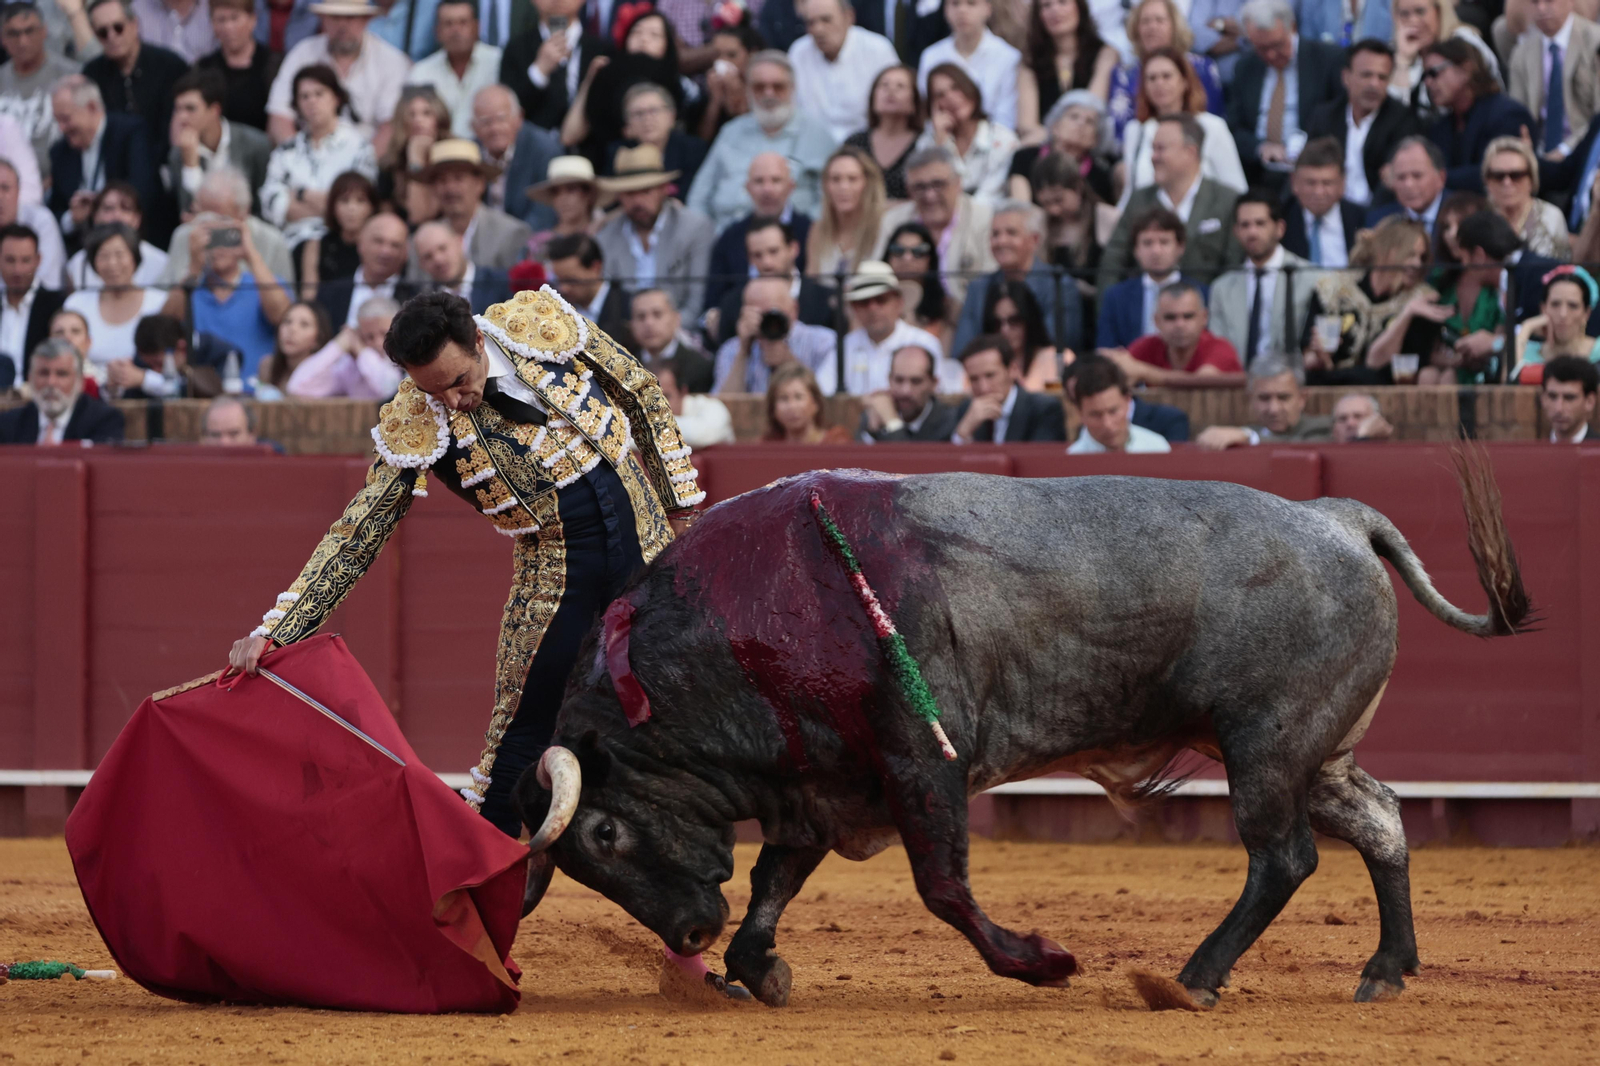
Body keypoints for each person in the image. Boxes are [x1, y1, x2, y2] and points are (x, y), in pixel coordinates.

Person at [223, 291, 719, 989]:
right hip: (558, 589)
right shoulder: (417, 418)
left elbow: (637, 389)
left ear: (480, 343)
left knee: (684, 748)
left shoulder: (540, 326)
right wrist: (278, 628)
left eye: (458, 381)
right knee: (513, 759)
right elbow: (360, 532)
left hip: (649, 565)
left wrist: (681, 504)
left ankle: (686, 951)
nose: (452, 401)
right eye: (433, 389)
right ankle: (470, 948)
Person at [686, 50, 836, 232]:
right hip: (724, 240)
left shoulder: (816, 135)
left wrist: (804, 238)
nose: (768, 93)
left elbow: (828, 201)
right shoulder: (731, 132)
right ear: (748, 90)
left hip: (788, 245)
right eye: (759, 87)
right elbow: (699, 196)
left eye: (778, 86)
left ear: (793, 88)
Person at [1099, 115, 1243, 291]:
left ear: (1190, 152)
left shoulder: (1226, 200)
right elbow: (1114, 261)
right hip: (1148, 312)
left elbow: (1235, 269)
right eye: (1153, 149)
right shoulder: (1140, 200)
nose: (1153, 157)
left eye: (1160, 149)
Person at [163, 196, 294, 381]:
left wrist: (250, 254)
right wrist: (193, 266)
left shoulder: (262, 283)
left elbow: (282, 316)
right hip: (201, 394)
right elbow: (165, 325)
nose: (219, 247)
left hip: (256, 393)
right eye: (212, 238)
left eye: (227, 237)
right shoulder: (190, 289)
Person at [1302, 215, 1442, 385]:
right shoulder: (1333, 290)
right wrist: (1320, 358)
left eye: (1422, 257)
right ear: (1385, 250)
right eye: (1410, 254)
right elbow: (1307, 360)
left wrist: (1407, 314)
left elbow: (1379, 365)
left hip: (1388, 396)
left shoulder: (1422, 301)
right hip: (1329, 391)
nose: (1417, 264)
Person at [266, 0, 412, 155]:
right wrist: (299, 162)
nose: (342, 26)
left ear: (366, 20)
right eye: (335, 17)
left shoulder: (391, 61)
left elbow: (390, 127)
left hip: (365, 164)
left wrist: (363, 168)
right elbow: (279, 117)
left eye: (350, 18)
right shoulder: (302, 54)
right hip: (306, 158)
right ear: (323, 19)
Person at [260, 65, 380, 254]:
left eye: (319, 93)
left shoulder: (359, 148)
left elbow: (360, 206)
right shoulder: (285, 151)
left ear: (336, 98)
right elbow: (270, 205)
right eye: (304, 96)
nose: (312, 102)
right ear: (296, 104)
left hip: (343, 242)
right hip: (291, 244)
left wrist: (300, 194)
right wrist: (331, 205)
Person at [1226, 0, 1347, 186]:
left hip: (1312, 167)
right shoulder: (1246, 66)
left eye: (1277, 45)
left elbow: (1340, 118)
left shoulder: (1327, 59)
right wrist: (1260, 147)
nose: (1271, 55)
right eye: (1262, 48)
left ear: (1292, 27)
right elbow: (1234, 127)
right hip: (1257, 170)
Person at [592, 145, 715, 317]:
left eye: (645, 191)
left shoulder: (695, 228)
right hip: (620, 337)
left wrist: (666, 332)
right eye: (629, 193)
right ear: (619, 196)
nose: (638, 201)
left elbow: (696, 303)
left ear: (664, 189)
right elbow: (604, 305)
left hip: (681, 335)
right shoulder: (605, 236)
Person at [1116, 47, 1244, 210]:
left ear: (1184, 81)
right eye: (1152, 78)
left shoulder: (1212, 126)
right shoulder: (1135, 130)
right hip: (1151, 225)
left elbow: (1235, 188)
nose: (1159, 83)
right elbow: (1131, 192)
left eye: (1167, 76)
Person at [1304, 39, 1423, 211]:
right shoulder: (1325, 117)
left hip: (1378, 214)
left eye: (1382, 77)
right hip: (1331, 212)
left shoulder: (1403, 120)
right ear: (1346, 77)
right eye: (1366, 75)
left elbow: (1393, 178)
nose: (1374, 84)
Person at [562, 10, 694, 164]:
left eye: (654, 35)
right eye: (636, 32)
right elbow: (568, 137)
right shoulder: (605, 79)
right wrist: (590, 81)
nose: (643, 39)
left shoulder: (683, 87)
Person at [954, 198, 1082, 357]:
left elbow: (1057, 346)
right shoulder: (978, 288)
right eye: (995, 234)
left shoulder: (1059, 284)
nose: (1001, 241)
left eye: (1011, 233)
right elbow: (962, 350)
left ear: (1034, 240)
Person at [874, 146, 997, 308]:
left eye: (938, 184)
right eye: (920, 187)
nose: (929, 195)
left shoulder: (985, 219)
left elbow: (991, 282)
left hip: (969, 315)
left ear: (958, 183)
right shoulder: (892, 222)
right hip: (904, 316)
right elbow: (875, 276)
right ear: (908, 190)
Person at [47, 76, 162, 244]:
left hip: (135, 241)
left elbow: (143, 190)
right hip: (82, 246)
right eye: (57, 120)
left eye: (66, 119)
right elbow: (55, 209)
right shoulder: (60, 152)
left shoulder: (131, 133)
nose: (61, 128)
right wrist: (72, 218)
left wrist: (102, 204)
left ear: (92, 107)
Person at [1207, 191, 1316, 369]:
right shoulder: (1222, 288)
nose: (1252, 232)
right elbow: (1219, 349)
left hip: (1290, 385)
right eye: (1245, 225)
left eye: (1260, 223)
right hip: (1237, 387)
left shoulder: (1311, 278)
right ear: (1236, 231)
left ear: (1280, 228)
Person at [703, 153, 811, 317]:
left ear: (791, 186)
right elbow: (713, 301)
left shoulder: (809, 232)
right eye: (759, 181)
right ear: (748, 188)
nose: (767, 189)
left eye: (775, 180)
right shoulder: (730, 238)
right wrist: (713, 318)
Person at [1421, 39, 1534, 195]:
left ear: (1466, 69)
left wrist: (1435, 179)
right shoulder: (1441, 126)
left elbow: (1493, 173)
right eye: (1425, 75)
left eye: (1434, 73)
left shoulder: (1506, 115)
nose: (1427, 82)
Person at [81, 0, 189, 159]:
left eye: (118, 28)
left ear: (134, 24)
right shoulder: (92, 74)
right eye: (103, 32)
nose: (112, 37)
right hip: (114, 168)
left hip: (166, 163)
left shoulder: (171, 66)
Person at [1106, 0, 1223, 143]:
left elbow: (1212, 115)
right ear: (1136, 29)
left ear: (1175, 26)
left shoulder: (1202, 68)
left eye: (1159, 20)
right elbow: (1118, 130)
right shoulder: (1124, 75)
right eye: (1145, 21)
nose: (1152, 27)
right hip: (1138, 150)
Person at [163, 166, 295, 289]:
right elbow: (165, 306)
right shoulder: (185, 236)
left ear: (244, 213)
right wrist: (194, 269)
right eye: (205, 218)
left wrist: (251, 257)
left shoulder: (271, 241)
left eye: (222, 220)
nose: (213, 227)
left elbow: (286, 308)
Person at [712, 215, 834, 346]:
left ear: (793, 249)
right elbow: (722, 360)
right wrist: (744, 345)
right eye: (757, 255)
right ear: (749, 259)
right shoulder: (733, 304)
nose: (766, 263)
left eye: (773, 251)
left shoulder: (826, 300)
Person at [169, 68, 274, 220]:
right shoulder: (178, 154)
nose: (182, 117)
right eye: (178, 109)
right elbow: (187, 213)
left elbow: (263, 206)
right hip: (202, 235)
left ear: (214, 110)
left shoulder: (255, 144)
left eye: (190, 109)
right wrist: (190, 166)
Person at [788, 0, 898, 143]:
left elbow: (895, 109)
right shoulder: (798, 53)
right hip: (813, 147)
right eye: (811, 23)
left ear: (849, 17)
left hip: (869, 147)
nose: (818, 29)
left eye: (826, 20)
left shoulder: (878, 50)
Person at [61, 223, 167, 369]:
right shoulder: (76, 303)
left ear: (134, 258)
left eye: (120, 254)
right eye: (103, 256)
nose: (112, 264)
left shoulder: (160, 302)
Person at [1096, 205, 1202, 349]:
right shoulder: (1116, 297)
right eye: (1147, 243)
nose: (1156, 251)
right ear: (1135, 250)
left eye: (1164, 242)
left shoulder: (1202, 293)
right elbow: (1106, 350)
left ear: (1180, 247)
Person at [1423, 208, 1509, 385]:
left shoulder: (1497, 281)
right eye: (1446, 227)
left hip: (1491, 367)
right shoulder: (1439, 281)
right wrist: (1454, 361)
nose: (1452, 234)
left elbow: (1506, 337)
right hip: (1449, 368)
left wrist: (1492, 345)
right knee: (1430, 375)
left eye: (1459, 226)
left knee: (1448, 378)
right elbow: (1427, 349)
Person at [418, 139, 532, 270]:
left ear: (480, 184)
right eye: (442, 181)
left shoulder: (510, 233)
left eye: (458, 178)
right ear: (434, 188)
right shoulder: (424, 239)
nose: (450, 188)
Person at [499, 0, 612, 132]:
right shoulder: (516, 49)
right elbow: (507, 110)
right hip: (533, 144)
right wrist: (538, 71)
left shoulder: (602, 50)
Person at [714, 274, 839, 393]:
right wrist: (743, 352)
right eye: (758, 314)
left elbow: (826, 400)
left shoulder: (824, 342)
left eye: (772, 313)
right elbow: (722, 407)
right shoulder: (731, 349)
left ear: (794, 309)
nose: (766, 321)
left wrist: (789, 362)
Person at [841, 259, 950, 395]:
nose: (873, 308)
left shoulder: (925, 343)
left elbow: (936, 397)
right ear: (855, 308)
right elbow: (823, 392)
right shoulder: (843, 347)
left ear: (899, 303)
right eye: (864, 302)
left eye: (881, 300)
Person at [1111, 279, 1243, 387]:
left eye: (1188, 316)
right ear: (1156, 321)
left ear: (1204, 318)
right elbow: (1123, 367)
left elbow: (1203, 382)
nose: (1180, 325)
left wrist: (1144, 372)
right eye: (1170, 317)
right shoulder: (1147, 346)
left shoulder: (1220, 348)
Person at [0, 3, 81, 179]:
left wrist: (56, 181)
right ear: (2, 39)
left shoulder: (71, 76)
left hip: (60, 183)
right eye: (13, 33)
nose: (22, 41)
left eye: (29, 31)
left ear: (44, 31)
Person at [1019, 0, 1118, 143]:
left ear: (1079, 7)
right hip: (1044, 147)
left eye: (1062, 2)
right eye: (1046, 5)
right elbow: (1026, 124)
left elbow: (1090, 108)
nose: (1055, 10)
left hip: (1087, 146)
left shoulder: (1106, 54)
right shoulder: (1030, 61)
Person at [918, 63, 1018, 202]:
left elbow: (989, 197)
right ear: (933, 106)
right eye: (940, 95)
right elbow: (930, 193)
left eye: (955, 88)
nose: (951, 98)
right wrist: (941, 145)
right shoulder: (927, 143)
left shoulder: (1002, 138)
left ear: (970, 88)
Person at [916, 0, 1021, 131]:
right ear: (945, 10)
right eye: (955, 4)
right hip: (941, 140)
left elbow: (1006, 119)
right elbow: (926, 112)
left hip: (993, 144)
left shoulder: (1008, 57)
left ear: (988, 9)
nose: (962, 11)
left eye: (971, 3)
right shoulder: (931, 56)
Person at [404, 0, 500, 138]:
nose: (456, 30)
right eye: (448, 24)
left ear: (477, 27)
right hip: (437, 153)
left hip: (488, 154)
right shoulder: (421, 73)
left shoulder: (498, 62)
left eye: (463, 22)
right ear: (437, 31)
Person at [0, 336, 125, 443]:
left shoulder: (105, 421)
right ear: (30, 378)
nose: (51, 382)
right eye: (44, 373)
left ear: (80, 382)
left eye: (61, 374)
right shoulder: (8, 425)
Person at [1390, 0, 1501, 118]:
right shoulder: (1397, 54)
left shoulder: (1464, 42)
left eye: (1420, 11)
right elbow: (1393, 119)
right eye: (1404, 14)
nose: (1413, 21)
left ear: (1438, 11)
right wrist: (1403, 62)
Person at [474, 84, 564, 229]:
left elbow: (543, 216)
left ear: (519, 118)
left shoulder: (543, 150)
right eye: (486, 122)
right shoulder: (470, 153)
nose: (494, 128)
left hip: (527, 241)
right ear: (474, 127)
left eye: (501, 119)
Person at [1195, 354, 1332, 448]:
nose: (1274, 409)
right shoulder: (1246, 433)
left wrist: (1248, 437)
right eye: (1264, 398)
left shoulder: (1323, 428)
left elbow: (1296, 447)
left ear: (1302, 399)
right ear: (1250, 399)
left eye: (1283, 397)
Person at [950, 333, 1066, 442]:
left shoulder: (1043, 409)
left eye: (990, 375)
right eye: (974, 379)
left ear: (1012, 370)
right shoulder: (966, 411)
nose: (983, 388)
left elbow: (1039, 459)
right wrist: (962, 433)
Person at [284, 293, 403, 397]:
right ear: (359, 335)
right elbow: (297, 387)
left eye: (384, 333)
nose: (378, 343)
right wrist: (339, 345)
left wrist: (363, 353)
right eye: (369, 337)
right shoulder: (351, 366)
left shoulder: (405, 358)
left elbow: (391, 391)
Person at [1030, 153, 1106, 312]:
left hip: (1096, 309)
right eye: (1046, 203)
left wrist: (1089, 291)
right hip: (1058, 311)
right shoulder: (1041, 224)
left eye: (1059, 200)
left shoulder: (1105, 218)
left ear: (1078, 188)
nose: (1054, 210)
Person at [1008, 90, 1115, 204]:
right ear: (1055, 126)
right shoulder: (1025, 158)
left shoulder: (1101, 177)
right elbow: (1020, 206)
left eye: (1089, 122)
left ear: (1095, 139)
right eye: (1074, 117)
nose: (1081, 124)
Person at [601, 83, 708, 195]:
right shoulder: (618, 152)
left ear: (671, 116)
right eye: (639, 114)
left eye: (654, 111)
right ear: (627, 123)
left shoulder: (693, 149)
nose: (647, 119)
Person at [197, 0, 283, 133]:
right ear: (212, 24)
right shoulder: (203, 68)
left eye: (234, 18)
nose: (228, 27)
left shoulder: (274, 64)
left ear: (252, 20)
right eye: (221, 19)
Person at [0, 224, 68, 390]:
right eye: (10, 260)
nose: (18, 270)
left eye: (25, 260)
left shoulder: (57, 306)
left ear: (38, 260)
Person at [806, 146, 887, 285]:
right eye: (835, 179)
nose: (843, 187)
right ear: (826, 185)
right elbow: (811, 285)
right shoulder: (818, 230)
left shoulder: (884, 227)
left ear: (867, 184)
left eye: (852, 179)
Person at [60, 183, 164, 290]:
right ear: (95, 216)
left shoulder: (161, 262)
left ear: (137, 219)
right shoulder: (78, 264)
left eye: (125, 209)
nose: (116, 215)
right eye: (108, 209)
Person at [315, 211, 411, 327]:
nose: (385, 251)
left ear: (405, 253)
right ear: (361, 243)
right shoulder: (329, 293)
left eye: (395, 245)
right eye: (378, 241)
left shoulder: (415, 299)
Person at [1280, 138, 1365, 269]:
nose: (1319, 192)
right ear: (1294, 182)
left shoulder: (1363, 220)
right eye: (1311, 183)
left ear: (1342, 183)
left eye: (1327, 183)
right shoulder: (1280, 219)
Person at [1481, 136, 1571, 259]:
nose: (1507, 182)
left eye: (1516, 175)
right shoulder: (1479, 217)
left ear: (1531, 179)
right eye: (1498, 176)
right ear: (1487, 181)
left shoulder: (1551, 218)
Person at [1065, 354, 1173, 453]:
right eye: (1095, 415)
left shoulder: (1156, 447)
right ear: (1080, 413)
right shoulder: (1071, 459)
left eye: (1113, 411)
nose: (1107, 424)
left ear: (1128, 401)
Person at [844, 65, 922, 201]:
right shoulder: (855, 143)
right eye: (884, 85)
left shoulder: (924, 144)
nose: (891, 90)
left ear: (914, 101)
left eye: (900, 86)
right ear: (873, 97)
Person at [857, 343, 961, 441]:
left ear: (933, 384)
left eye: (916, 381)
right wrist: (872, 432)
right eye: (899, 380)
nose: (905, 391)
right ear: (889, 380)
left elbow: (910, 459)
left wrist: (893, 423)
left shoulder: (948, 422)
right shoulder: (875, 414)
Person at [376, 85, 450, 224]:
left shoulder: (453, 157)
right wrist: (415, 158)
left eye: (427, 113)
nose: (418, 120)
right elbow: (414, 216)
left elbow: (424, 214)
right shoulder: (389, 165)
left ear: (439, 118)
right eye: (411, 114)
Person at [295, 170, 376, 296]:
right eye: (344, 200)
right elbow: (309, 298)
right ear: (332, 206)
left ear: (372, 207)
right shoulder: (315, 247)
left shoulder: (379, 247)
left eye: (360, 200)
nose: (352, 208)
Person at [1513, 266, 1600, 381]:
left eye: (1573, 306)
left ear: (1587, 313)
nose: (1563, 314)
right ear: (1543, 309)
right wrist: (1526, 328)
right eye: (1555, 304)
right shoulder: (1526, 352)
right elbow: (1509, 385)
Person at [411, 219, 513, 313]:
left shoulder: (502, 284)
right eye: (428, 257)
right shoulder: (424, 306)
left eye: (443, 248)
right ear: (421, 265)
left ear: (460, 243)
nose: (438, 260)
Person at [545, 231, 632, 339]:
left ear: (596, 268)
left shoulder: (628, 307)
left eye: (571, 280)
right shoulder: (556, 312)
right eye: (559, 281)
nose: (564, 288)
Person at [629, 287, 715, 392]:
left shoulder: (700, 367)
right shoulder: (623, 365)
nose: (649, 323)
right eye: (641, 317)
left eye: (657, 314)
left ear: (676, 319)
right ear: (632, 324)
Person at [981, 277, 1061, 389]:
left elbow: (1059, 399)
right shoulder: (979, 365)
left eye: (1014, 320)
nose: (1005, 330)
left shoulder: (1056, 358)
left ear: (1029, 320)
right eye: (997, 323)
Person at [695, 16, 763, 143]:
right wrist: (715, 102)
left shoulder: (764, 87)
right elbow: (700, 142)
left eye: (732, 55)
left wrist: (737, 95)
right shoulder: (706, 88)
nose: (723, 61)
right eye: (717, 55)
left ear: (752, 54)